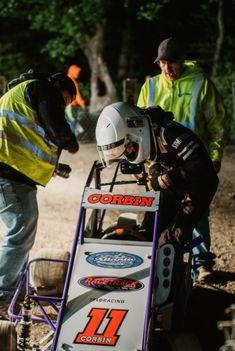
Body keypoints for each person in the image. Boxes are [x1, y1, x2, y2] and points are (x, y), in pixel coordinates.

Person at [0, 69, 79, 318]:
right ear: (58, 87)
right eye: (65, 100)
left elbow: (27, 138)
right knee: (20, 231)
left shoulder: (24, 94)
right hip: (4, 171)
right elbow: (59, 131)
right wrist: (70, 143)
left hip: (4, 170)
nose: (63, 106)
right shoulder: (42, 89)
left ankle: (16, 293)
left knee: (22, 234)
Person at [137, 37, 226, 283]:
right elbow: (140, 129)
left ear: (182, 60)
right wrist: (146, 166)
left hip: (195, 162)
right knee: (159, 210)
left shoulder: (202, 84)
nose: (167, 69)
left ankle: (202, 264)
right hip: (162, 164)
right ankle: (156, 261)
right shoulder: (151, 87)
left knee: (196, 210)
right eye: (162, 63)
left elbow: (218, 125)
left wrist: (215, 156)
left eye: (172, 63)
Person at [95, 102, 219, 262]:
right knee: (149, 228)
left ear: (135, 132)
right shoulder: (146, 134)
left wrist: (162, 179)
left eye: (128, 149)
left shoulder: (169, 133)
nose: (129, 153)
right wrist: (154, 172)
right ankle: (134, 266)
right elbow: (156, 161)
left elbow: (199, 165)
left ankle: (169, 275)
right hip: (175, 181)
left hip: (200, 183)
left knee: (171, 239)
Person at [66, 64, 86, 136]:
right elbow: (77, 95)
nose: (78, 73)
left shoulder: (66, 79)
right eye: (76, 72)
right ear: (73, 72)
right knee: (73, 122)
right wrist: (82, 103)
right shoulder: (72, 81)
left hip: (66, 104)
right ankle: (73, 138)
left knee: (70, 121)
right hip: (71, 105)